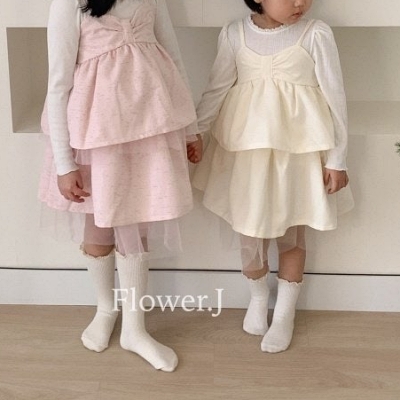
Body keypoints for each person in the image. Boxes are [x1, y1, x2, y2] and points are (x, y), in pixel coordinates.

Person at [38, 0, 199, 372]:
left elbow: (173, 58)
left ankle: (135, 328)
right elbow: (58, 83)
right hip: (97, 136)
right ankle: (105, 308)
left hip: (148, 129)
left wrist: (190, 129)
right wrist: (65, 163)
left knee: (136, 226)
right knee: (98, 225)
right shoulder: (70, 3)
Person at [188, 0, 354, 353]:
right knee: (250, 232)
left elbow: (336, 97)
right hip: (247, 153)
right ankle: (258, 297)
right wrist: (196, 132)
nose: (300, 3)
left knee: (292, 233)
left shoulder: (315, 34)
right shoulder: (234, 34)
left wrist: (338, 158)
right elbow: (216, 88)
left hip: (296, 154)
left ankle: (284, 314)